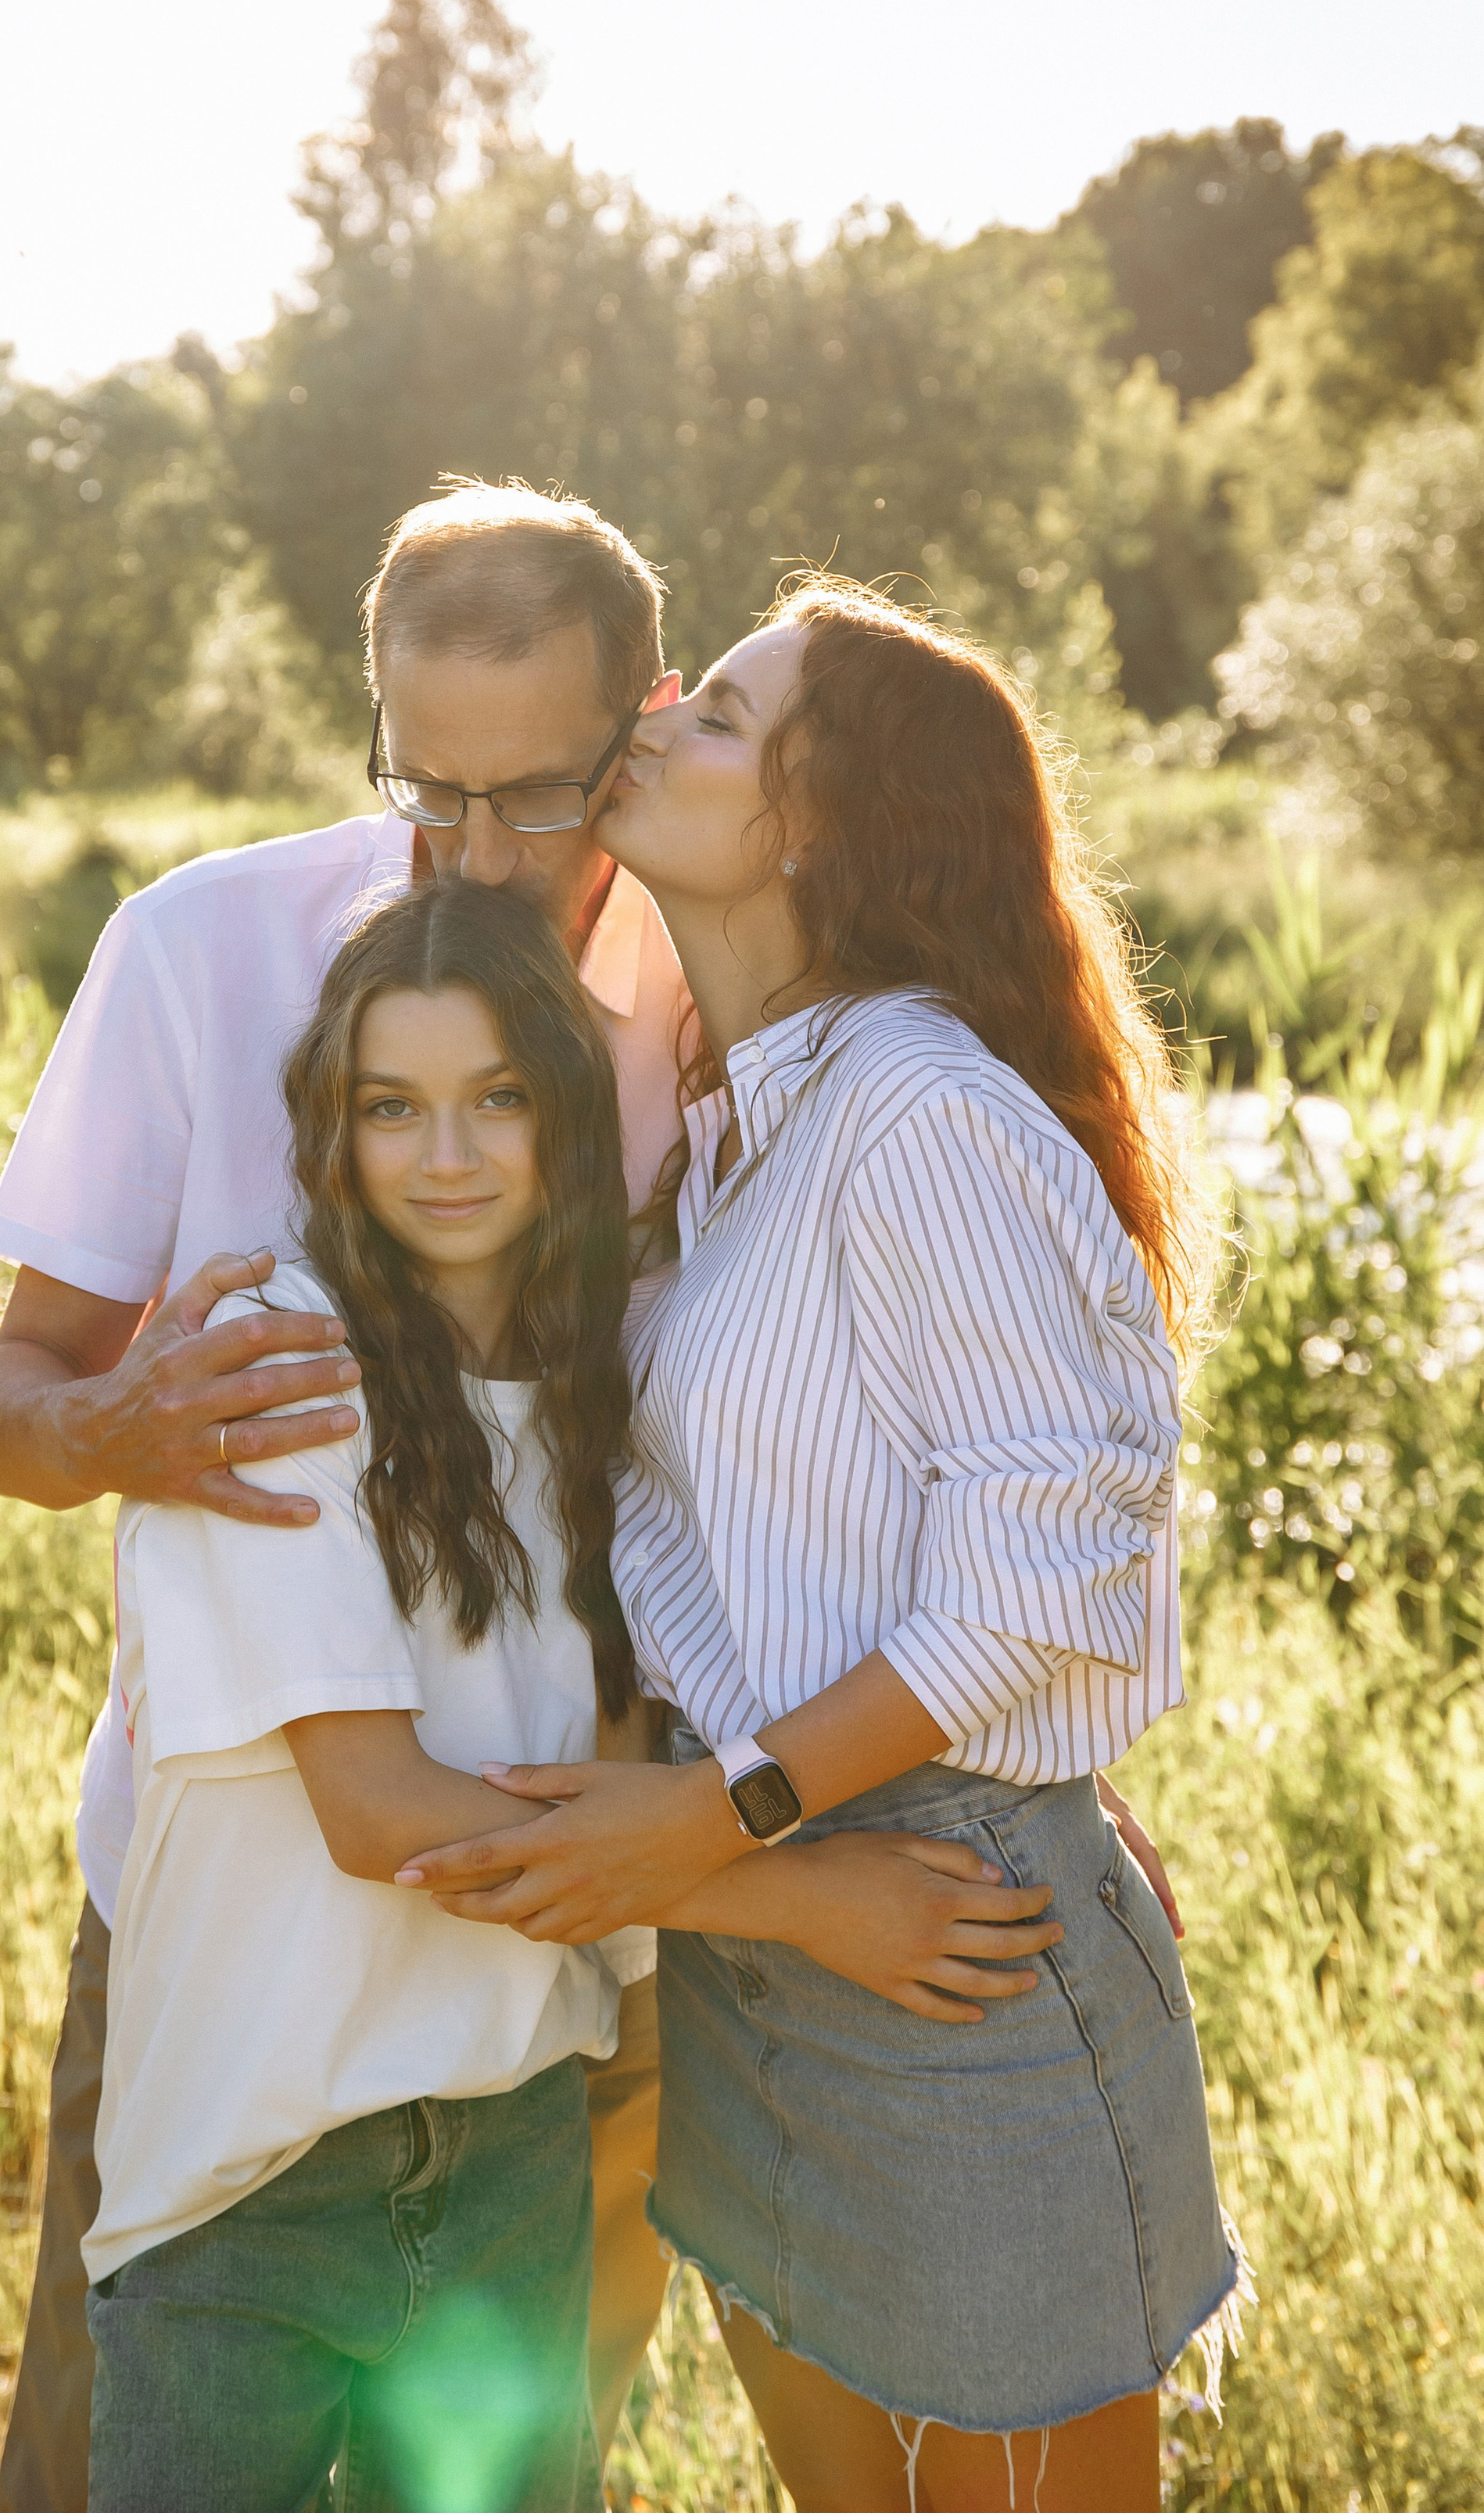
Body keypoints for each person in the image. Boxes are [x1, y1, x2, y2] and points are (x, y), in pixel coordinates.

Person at [0, 492, 1109, 2510]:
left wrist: (1017, 1770)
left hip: (594, 1942)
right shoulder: (194, 949)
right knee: (112, 2455)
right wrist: (119, 1426)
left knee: (503, 2463)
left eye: (543, 794)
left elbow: (888, 1452)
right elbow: (12, 1399)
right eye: (430, 790)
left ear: (646, 730)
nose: (482, 856)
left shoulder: (730, 993)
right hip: (246, 1939)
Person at [398, 576, 1246, 2513]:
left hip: (946, 1945)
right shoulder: (742, 1121)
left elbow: (1040, 1581)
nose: (666, 714)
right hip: (772, 1935)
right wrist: (726, 1839)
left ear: (817, 819)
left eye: (725, 715)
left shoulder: (918, 1112)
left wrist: (724, 1821)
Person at [86, 881, 643, 2509]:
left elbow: (613, 1790)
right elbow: (381, 1814)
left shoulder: (593, 1395)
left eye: (496, 1100)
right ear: (333, 1130)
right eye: (390, 1108)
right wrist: (802, 1891)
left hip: (512, 2154)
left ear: (561, 1113)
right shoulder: (275, 1366)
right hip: (254, 2175)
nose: (445, 1157)